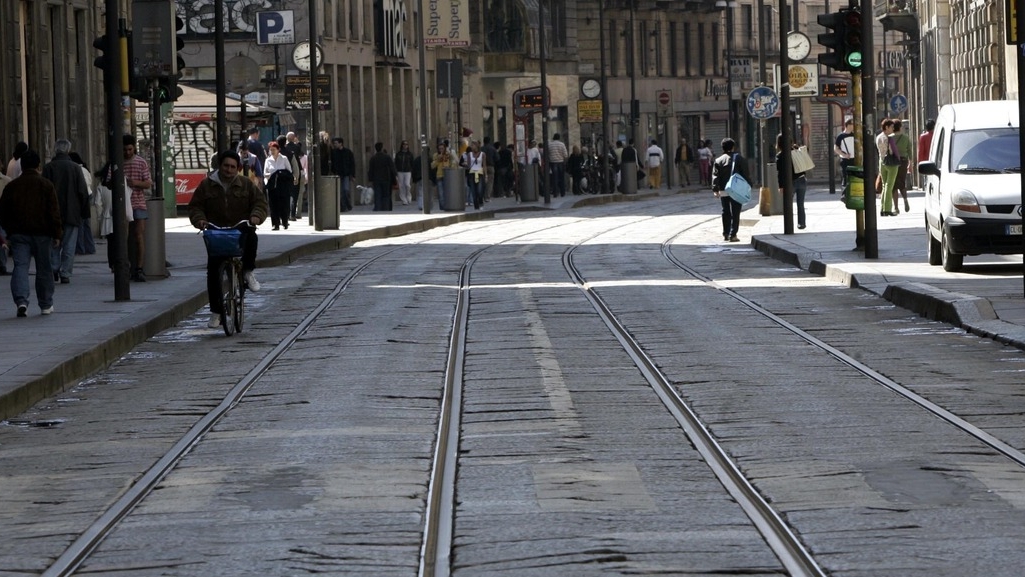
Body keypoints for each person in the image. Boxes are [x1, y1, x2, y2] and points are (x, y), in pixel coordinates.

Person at [188, 150, 268, 329]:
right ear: (220, 166)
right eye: (226, 166)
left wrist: (255, 216)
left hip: (239, 228)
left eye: (233, 167)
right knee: (213, 271)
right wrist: (199, 220)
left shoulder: (246, 184)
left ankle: (247, 271)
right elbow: (195, 207)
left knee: (251, 237)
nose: (229, 170)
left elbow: (260, 204)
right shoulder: (206, 185)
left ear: (237, 168)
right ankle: (216, 312)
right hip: (215, 231)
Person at [0, 149, 62, 317]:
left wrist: (8, 232)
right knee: (44, 268)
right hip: (42, 233)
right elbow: (53, 212)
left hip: (19, 234)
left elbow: (3, 212)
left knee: (20, 266)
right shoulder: (46, 185)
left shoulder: (12, 186)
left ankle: (21, 301)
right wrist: (57, 234)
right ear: (38, 166)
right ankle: (45, 304)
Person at [42, 139, 89, 284]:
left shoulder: (48, 168)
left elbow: (43, 192)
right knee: (69, 244)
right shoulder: (75, 168)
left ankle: (54, 268)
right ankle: (65, 273)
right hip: (72, 212)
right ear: (68, 150)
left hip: (52, 213)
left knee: (54, 243)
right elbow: (83, 191)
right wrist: (85, 212)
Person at [122, 135, 152, 282]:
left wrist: (134, 182)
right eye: (125, 150)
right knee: (125, 237)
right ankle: (125, 267)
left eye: (129, 149)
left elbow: (148, 183)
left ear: (134, 147)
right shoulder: (117, 162)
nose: (127, 153)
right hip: (123, 204)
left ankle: (139, 268)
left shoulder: (141, 162)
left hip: (138, 203)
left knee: (138, 236)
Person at [711, 138, 748, 243]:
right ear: (733, 147)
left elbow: (715, 175)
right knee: (736, 212)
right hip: (736, 190)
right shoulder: (740, 159)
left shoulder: (718, 160)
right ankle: (733, 234)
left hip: (724, 189)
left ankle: (726, 233)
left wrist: (715, 189)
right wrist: (748, 186)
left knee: (725, 211)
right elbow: (745, 174)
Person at [776, 133, 808, 230]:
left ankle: (789, 225)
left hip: (790, 182)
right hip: (802, 179)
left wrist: (780, 186)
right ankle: (801, 223)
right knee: (800, 203)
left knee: (788, 204)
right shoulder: (797, 151)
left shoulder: (780, 156)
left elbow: (780, 173)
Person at [68, 152, 96, 256]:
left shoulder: (76, 170)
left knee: (80, 223)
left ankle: (80, 247)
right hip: (88, 194)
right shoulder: (85, 169)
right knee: (86, 223)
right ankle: (89, 247)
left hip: (81, 196)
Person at [263, 142, 293, 229]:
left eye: (273, 150)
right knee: (273, 204)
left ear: (278, 150)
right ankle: (275, 224)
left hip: (283, 185)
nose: (272, 151)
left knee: (284, 203)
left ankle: (285, 221)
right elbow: (265, 173)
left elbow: (289, 171)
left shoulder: (284, 158)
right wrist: (269, 175)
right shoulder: (268, 160)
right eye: (270, 150)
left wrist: (280, 173)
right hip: (272, 185)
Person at [875, 119, 900, 217]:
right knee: (889, 186)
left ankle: (883, 208)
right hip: (891, 163)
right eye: (891, 127)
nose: (893, 129)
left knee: (885, 185)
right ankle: (888, 209)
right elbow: (894, 150)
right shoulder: (889, 138)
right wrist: (898, 159)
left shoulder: (878, 137)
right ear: (886, 127)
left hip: (882, 161)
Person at [368, 142, 397, 211]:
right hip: (386, 178)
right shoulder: (387, 157)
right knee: (386, 195)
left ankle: (378, 207)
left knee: (378, 194)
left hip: (376, 179)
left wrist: (370, 179)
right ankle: (386, 207)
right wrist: (395, 177)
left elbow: (370, 169)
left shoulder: (373, 158)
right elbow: (392, 168)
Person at [329, 137, 356, 212]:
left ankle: (347, 205)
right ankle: (343, 207)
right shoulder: (334, 152)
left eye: (336, 143)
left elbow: (352, 164)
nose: (335, 145)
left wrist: (353, 175)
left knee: (346, 190)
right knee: (340, 192)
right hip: (337, 174)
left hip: (346, 174)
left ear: (341, 143)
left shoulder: (348, 152)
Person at [893, 120, 913, 213]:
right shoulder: (905, 138)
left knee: (893, 185)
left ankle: (896, 207)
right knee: (901, 182)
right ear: (900, 127)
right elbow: (909, 151)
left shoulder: (890, 138)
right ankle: (905, 199)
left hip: (893, 162)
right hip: (903, 161)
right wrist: (910, 163)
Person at [431, 140, 457, 209]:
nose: (441, 150)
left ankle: (448, 205)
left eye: (442, 148)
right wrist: (437, 160)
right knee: (441, 193)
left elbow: (454, 163)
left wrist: (449, 167)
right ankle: (442, 207)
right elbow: (432, 166)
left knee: (447, 192)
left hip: (447, 175)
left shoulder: (449, 155)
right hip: (439, 175)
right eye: (440, 149)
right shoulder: (436, 155)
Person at [462, 140, 486, 210]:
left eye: (473, 145)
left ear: (477, 146)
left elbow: (484, 165)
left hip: (480, 173)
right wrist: (465, 165)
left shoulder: (482, 154)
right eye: (471, 145)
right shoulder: (469, 154)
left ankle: (481, 201)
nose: (472, 147)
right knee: (473, 190)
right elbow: (469, 165)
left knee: (479, 189)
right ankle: (476, 205)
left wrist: (486, 174)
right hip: (472, 173)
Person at [834, 118, 855, 189]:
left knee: (854, 178)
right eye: (852, 124)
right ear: (848, 125)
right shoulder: (840, 136)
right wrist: (844, 155)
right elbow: (836, 148)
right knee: (845, 177)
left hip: (854, 159)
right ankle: (845, 193)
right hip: (845, 160)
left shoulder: (855, 135)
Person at [394, 140, 415, 206]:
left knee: (407, 185)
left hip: (408, 171)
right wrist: (396, 171)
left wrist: (412, 169)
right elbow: (396, 163)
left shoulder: (410, 154)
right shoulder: (398, 154)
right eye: (404, 144)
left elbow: (412, 163)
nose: (405, 146)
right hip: (400, 171)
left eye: (406, 144)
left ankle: (408, 197)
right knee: (401, 185)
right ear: (402, 145)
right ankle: (404, 199)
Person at [547, 133, 568, 197]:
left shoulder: (550, 144)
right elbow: (565, 155)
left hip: (552, 162)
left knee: (554, 178)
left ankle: (555, 193)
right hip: (560, 162)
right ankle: (562, 192)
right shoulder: (562, 144)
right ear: (559, 138)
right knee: (561, 178)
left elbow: (547, 153)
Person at [482, 136, 498, 202]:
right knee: (490, 182)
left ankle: (482, 196)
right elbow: (497, 158)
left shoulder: (481, 149)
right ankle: (487, 197)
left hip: (482, 167)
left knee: (482, 182)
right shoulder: (492, 149)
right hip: (491, 166)